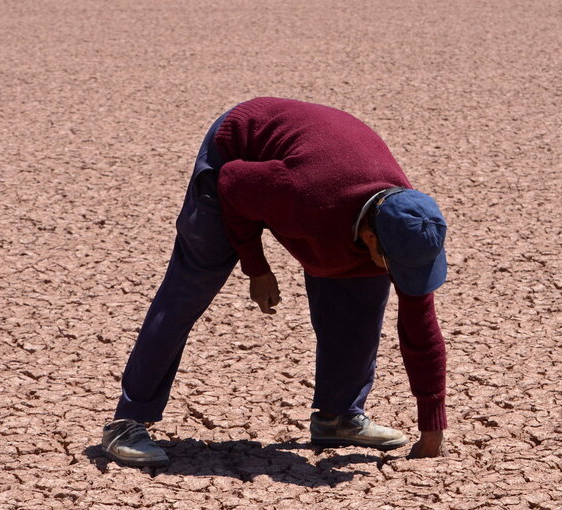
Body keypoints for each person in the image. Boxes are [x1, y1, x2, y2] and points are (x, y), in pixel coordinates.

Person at [101, 97, 449, 466]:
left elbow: (420, 330)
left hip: (320, 179)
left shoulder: (408, 224)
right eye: (394, 263)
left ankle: (338, 416)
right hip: (238, 151)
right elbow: (231, 182)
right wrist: (257, 268)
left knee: (359, 297)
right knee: (190, 286)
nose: (400, 273)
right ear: (372, 238)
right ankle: (127, 421)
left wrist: (432, 430)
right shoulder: (305, 195)